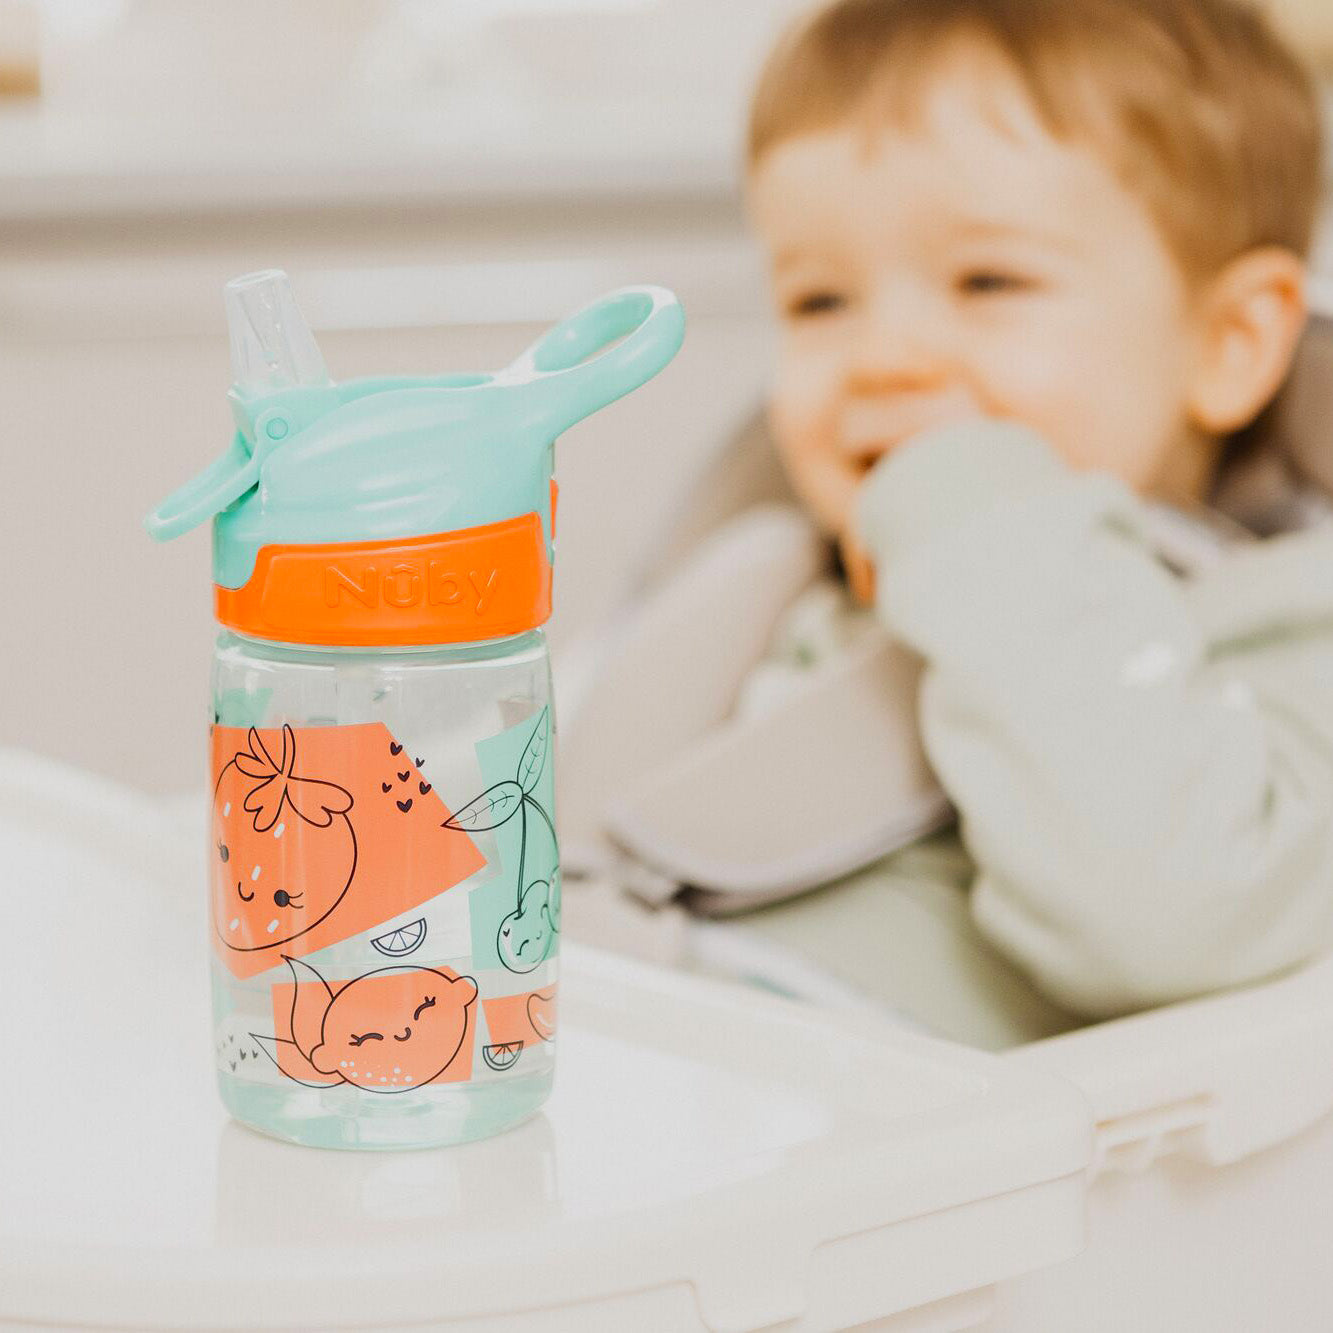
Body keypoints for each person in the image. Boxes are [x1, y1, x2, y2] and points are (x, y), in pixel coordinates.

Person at [729, 0, 1333, 1033]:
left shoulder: (1284, 619)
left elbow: (1166, 919)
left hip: (923, 1163)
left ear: (1229, 339)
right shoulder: (772, 572)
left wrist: (972, 505)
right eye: (819, 301)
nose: (884, 356)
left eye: (988, 280)